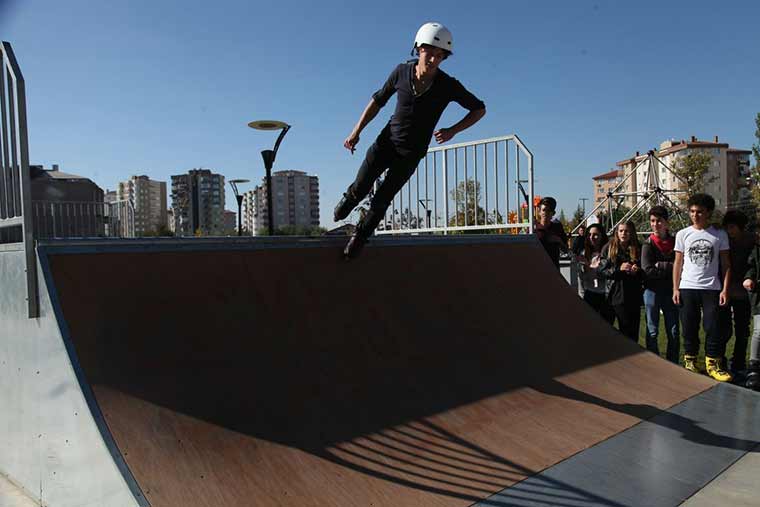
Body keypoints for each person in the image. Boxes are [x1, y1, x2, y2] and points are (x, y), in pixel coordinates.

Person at [334, 22, 486, 258]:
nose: (434, 61)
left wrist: (453, 130)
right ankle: (348, 200)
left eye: (440, 57)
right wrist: (356, 131)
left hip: (411, 154)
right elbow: (378, 101)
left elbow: (479, 109)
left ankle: (360, 238)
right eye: (430, 53)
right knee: (361, 186)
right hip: (386, 143)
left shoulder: (448, 85)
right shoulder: (401, 72)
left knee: (383, 198)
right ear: (418, 49)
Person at [673, 193, 732, 381]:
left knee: (712, 327)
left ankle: (712, 364)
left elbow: (726, 264)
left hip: (712, 288)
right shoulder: (683, 234)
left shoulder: (719, 234)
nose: (695, 215)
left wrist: (725, 289)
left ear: (708, 213)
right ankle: (690, 361)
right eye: (691, 211)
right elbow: (678, 263)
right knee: (689, 326)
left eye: (699, 212)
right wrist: (676, 288)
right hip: (687, 287)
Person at [641, 205, 680, 363]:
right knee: (652, 330)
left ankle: (673, 362)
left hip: (671, 291)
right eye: (652, 221)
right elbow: (647, 270)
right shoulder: (648, 244)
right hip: (652, 292)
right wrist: (671, 267)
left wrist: (661, 266)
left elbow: (682, 266)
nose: (655, 224)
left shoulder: (676, 241)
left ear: (666, 223)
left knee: (674, 331)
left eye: (659, 221)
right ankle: (654, 363)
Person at [719, 210, 753, 374]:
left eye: (732, 227)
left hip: (742, 292)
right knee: (724, 328)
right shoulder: (724, 240)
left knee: (742, 330)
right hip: (725, 290)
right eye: (727, 227)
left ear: (740, 227)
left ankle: (738, 362)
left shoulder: (750, 241)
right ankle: (721, 360)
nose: (729, 231)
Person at [600, 221, 643, 341]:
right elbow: (602, 270)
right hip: (615, 295)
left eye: (627, 231)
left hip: (633, 295)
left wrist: (637, 270)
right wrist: (619, 269)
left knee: (632, 333)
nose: (624, 233)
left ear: (632, 233)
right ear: (617, 232)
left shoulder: (638, 248)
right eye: (621, 231)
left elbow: (644, 271)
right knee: (614, 333)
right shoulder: (609, 248)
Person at [578, 223, 614, 323]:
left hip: (605, 296)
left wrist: (595, 268)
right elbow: (581, 277)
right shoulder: (584, 253)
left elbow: (610, 274)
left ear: (602, 236)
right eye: (589, 234)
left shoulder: (609, 253)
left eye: (595, 234)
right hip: (589, 294)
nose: (592, 237)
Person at [740, 235, 760, 390]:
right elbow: (750, 266)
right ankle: (754, 367)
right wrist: (749, 277)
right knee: (759, 331)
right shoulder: (756, 250)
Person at [534, 197, 568, 269]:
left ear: (553, 213)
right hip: (537, 268)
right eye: (544, 210)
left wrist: (558, 240)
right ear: (539, 212)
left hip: (553, 269)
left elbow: (566, 250)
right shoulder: (533, 228)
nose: (545, 213)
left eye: (549, 211)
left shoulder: (557, 227)